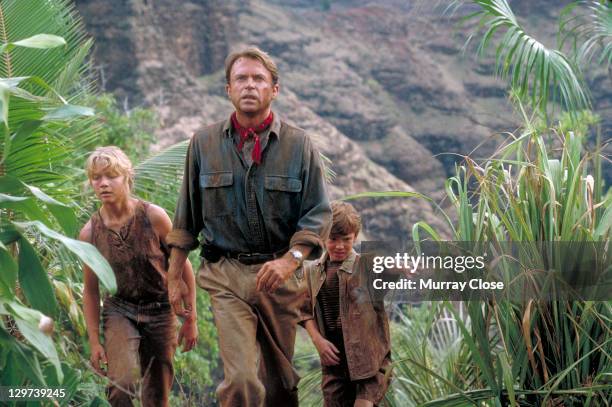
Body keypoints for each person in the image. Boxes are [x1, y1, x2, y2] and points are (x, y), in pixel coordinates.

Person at [166, 46, 331, 406]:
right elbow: (186, 217)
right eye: (241, 78)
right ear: (228, 89)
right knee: (241, 382)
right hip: (226, 275)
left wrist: (290, 260)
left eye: (259, 79)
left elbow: (318, 214)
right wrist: (174, 274)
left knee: (280, 388)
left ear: (275, 89)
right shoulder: (204, 144)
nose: (250, 85)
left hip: (281, 280)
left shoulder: (299, 145)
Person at [80, 146, 198, 407]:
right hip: (120, 309)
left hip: (161, 309)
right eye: (96, 178)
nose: (103, 183)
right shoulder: (90, 233)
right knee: (121, 386)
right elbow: (90, 290)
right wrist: (94, 342)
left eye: (111, 176)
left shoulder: (153, 216)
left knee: (157, 394)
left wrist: (191, 319)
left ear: (127, 177)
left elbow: (183, 267)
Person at [302, 201, 392, 407]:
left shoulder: (365, 266)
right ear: (322, 236)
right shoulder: (312, 271)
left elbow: (385, 267)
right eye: (333, 239)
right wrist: (318, 341)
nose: (340, 246)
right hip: (334, 364)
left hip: (370, 362)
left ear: (356, 237)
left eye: (346, 239)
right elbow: (303, 311)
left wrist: (401, 267)